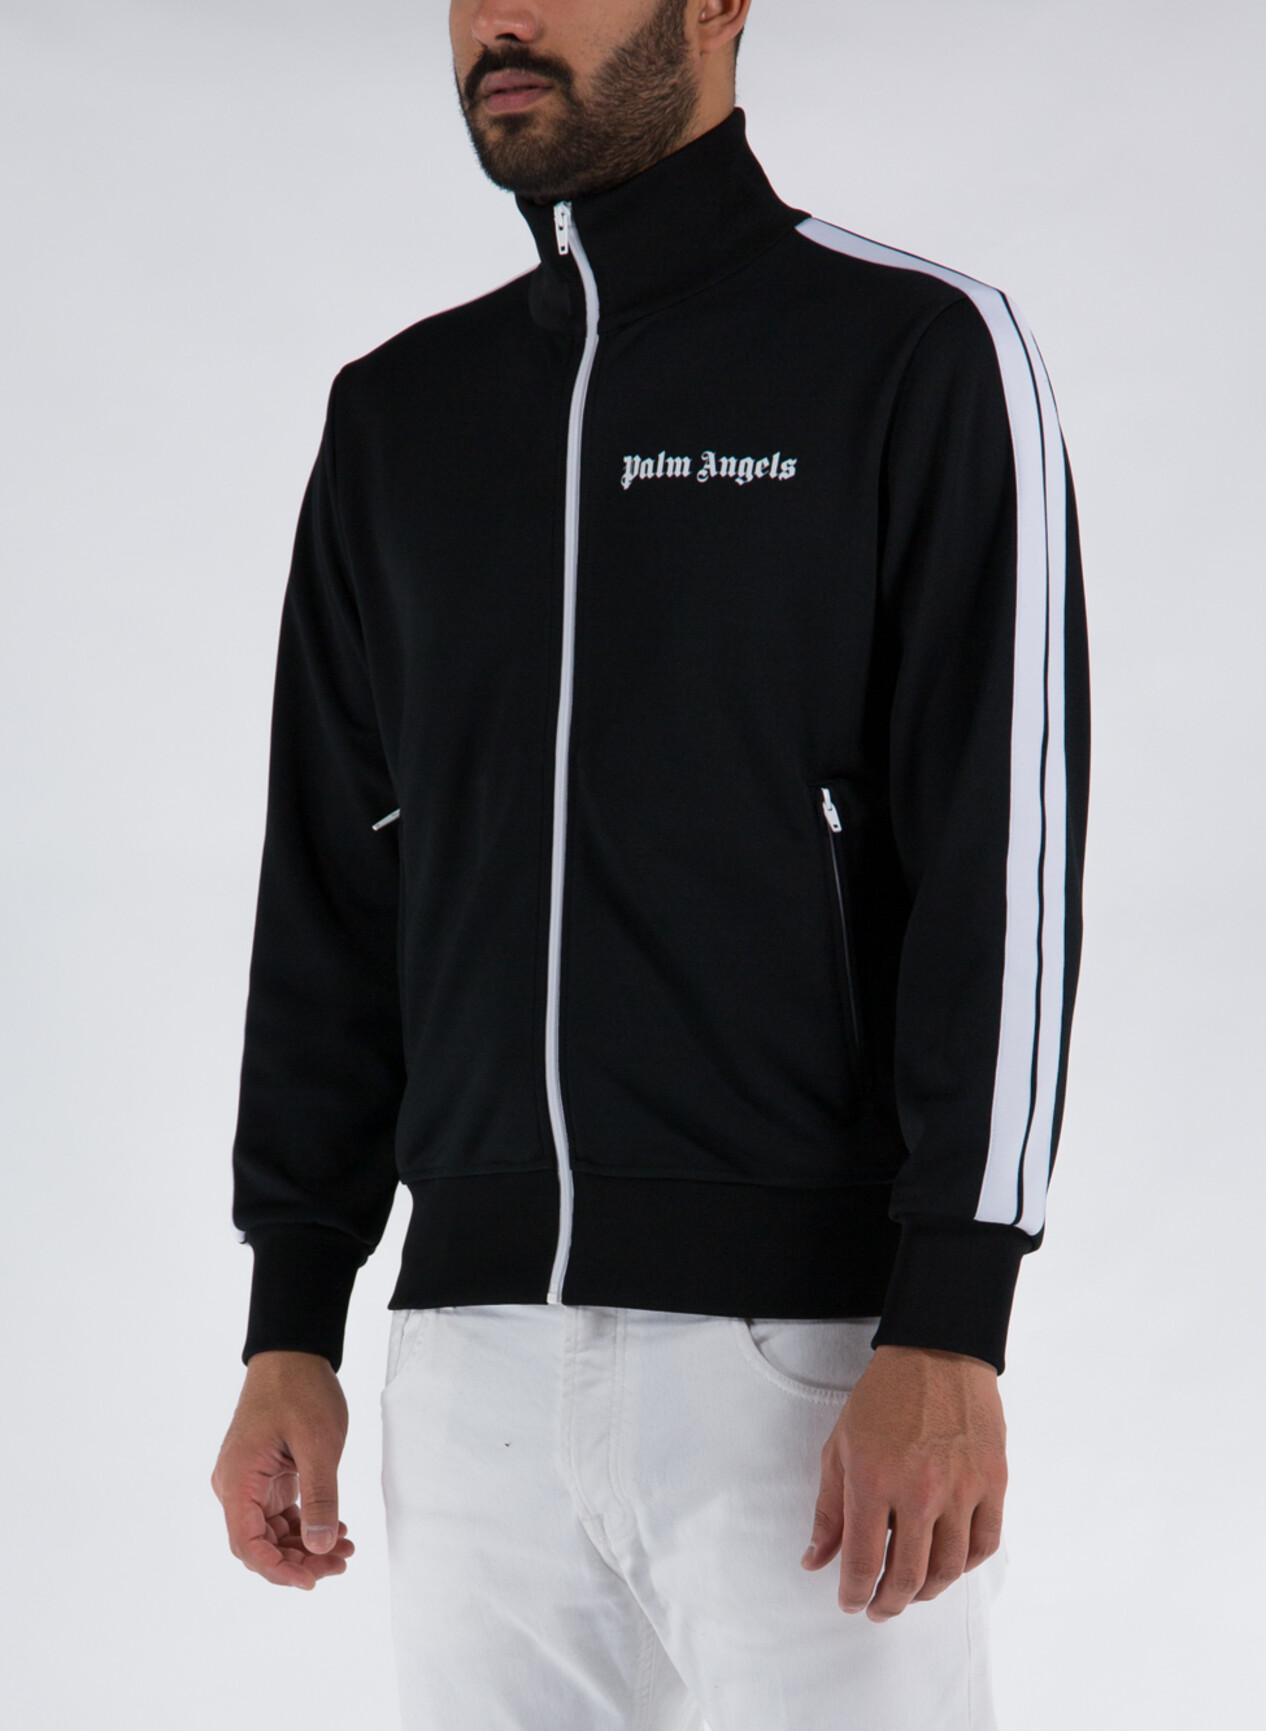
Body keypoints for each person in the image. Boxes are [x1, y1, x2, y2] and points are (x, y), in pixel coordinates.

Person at [211, 3, 1090, 1726]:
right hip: (465, 1369)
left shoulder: (907, 351)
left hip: (805, 1365)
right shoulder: (400, 415)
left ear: (716, 5)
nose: (501, 20)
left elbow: (1004, 850)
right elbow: (333, 892)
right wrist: (290, 1319)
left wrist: (950, 1317)